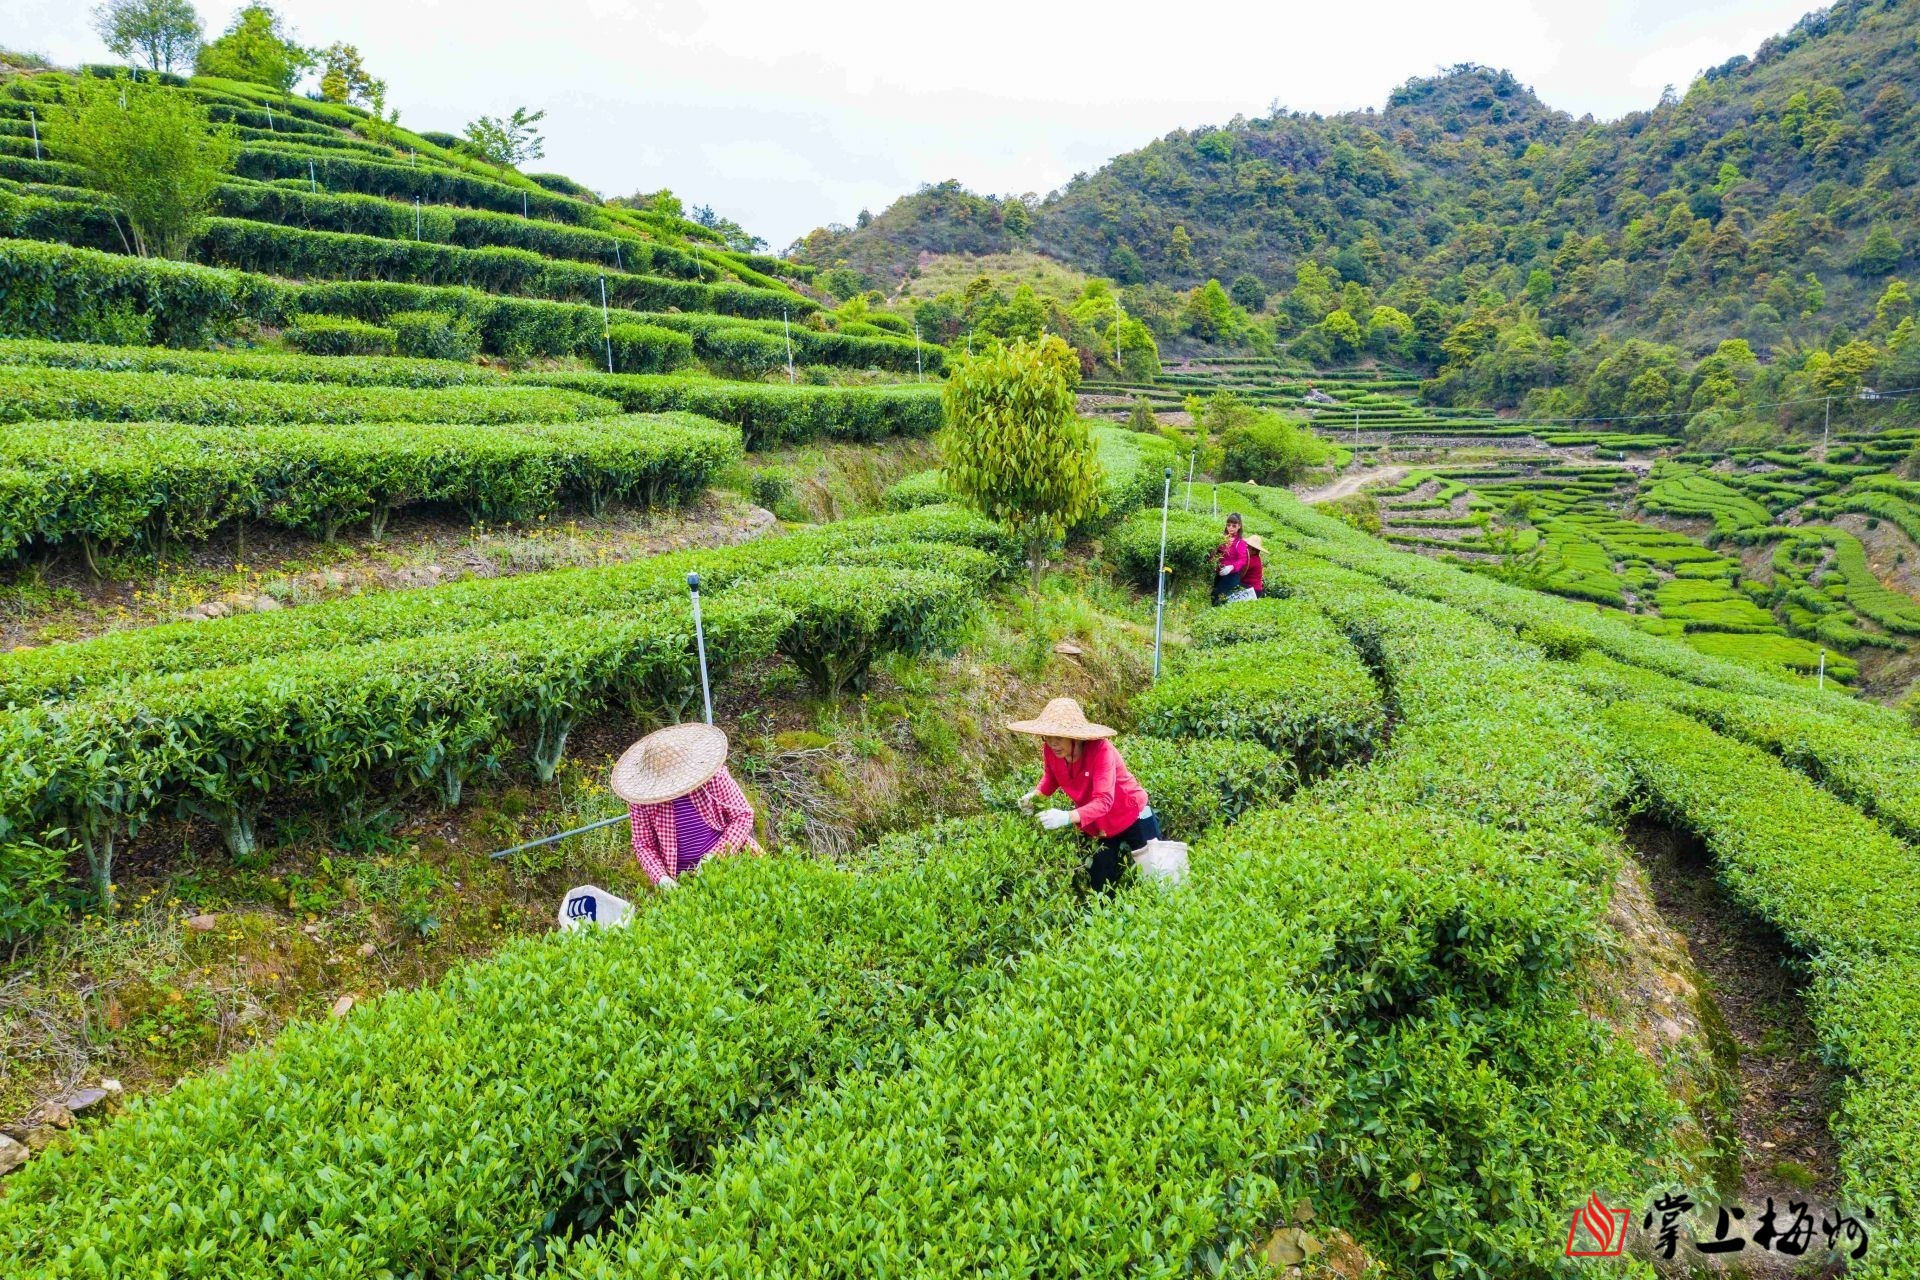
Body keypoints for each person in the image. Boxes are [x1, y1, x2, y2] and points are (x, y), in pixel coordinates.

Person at [1008, 697, 1159, 893]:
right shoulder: (1051, 750)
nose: (1053, 743)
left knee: (1157, 876)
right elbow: (1052, 777)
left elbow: (1104, 801)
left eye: (1059, 737)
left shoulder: (1101, 750)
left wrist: (1066, 817)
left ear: (1075, 737)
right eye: (1047, 736)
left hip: (1132, 814)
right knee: (1101, 886)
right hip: (1099, 823)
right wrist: (1035, 797)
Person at [611, 722, 761, 890]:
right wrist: (661, 878)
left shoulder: (714, 777)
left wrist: (714, 857)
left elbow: (743, 816)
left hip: (732, 858)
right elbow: (644, 844)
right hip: (683, 878)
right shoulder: (641, 799)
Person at [1213, 513, 1249, 605]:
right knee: (1214, 597)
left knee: (1218, 596)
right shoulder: (1221, 539)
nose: (1231, 528)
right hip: (1219, 573)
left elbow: (1242, 560)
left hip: (1232, 576)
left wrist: (1232, 567)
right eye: (1228, 525)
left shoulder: (1240, 543)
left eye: (1234, 525)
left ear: (1239, 526)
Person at [1241, 533, 1265, 599]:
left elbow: (1240, 567)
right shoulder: (1250, 557)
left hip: (1253, 590)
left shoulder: (1253, 560)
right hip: (1247, 586)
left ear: (1255, 551)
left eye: (1249, 547)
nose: (1247, 548)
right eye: (1247, 546)